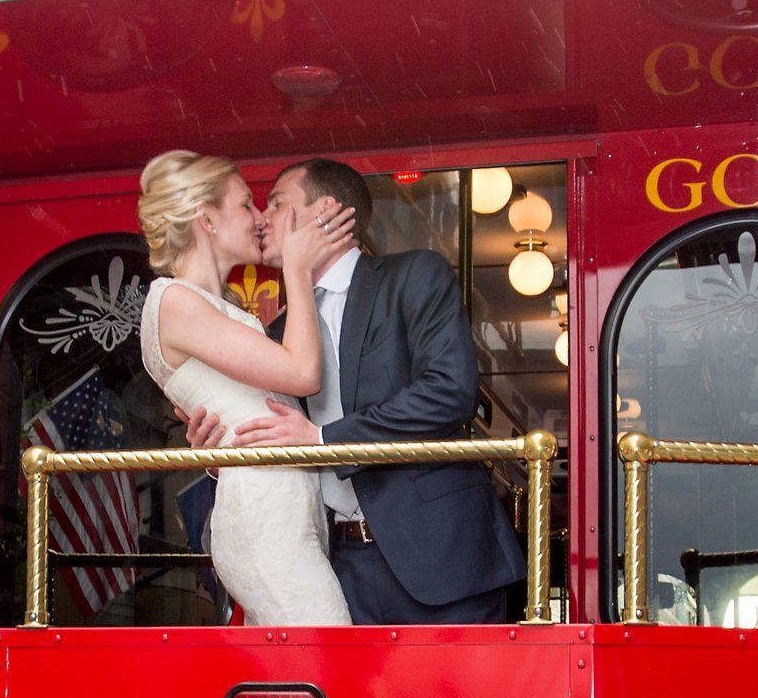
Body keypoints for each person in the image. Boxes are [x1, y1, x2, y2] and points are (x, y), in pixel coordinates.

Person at [188, 158, 525, 625]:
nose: (261, 218)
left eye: (277, 203)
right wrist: (219, 457)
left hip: (440, 557)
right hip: (334, 566)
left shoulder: (414, 276)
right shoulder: (280, 332)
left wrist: (323, 439)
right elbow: (277, 433)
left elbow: (449, 391)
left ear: (324, 212)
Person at [136, 150, 355, 625]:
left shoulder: (211, 304)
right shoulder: (174, 300)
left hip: (282, 510)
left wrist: (214, 453)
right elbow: (302, 375)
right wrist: (295, 268)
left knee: (302, 675)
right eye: (245, 206)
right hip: (263, 518)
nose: (260, 219)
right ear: (206, 219)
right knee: (328, 657)